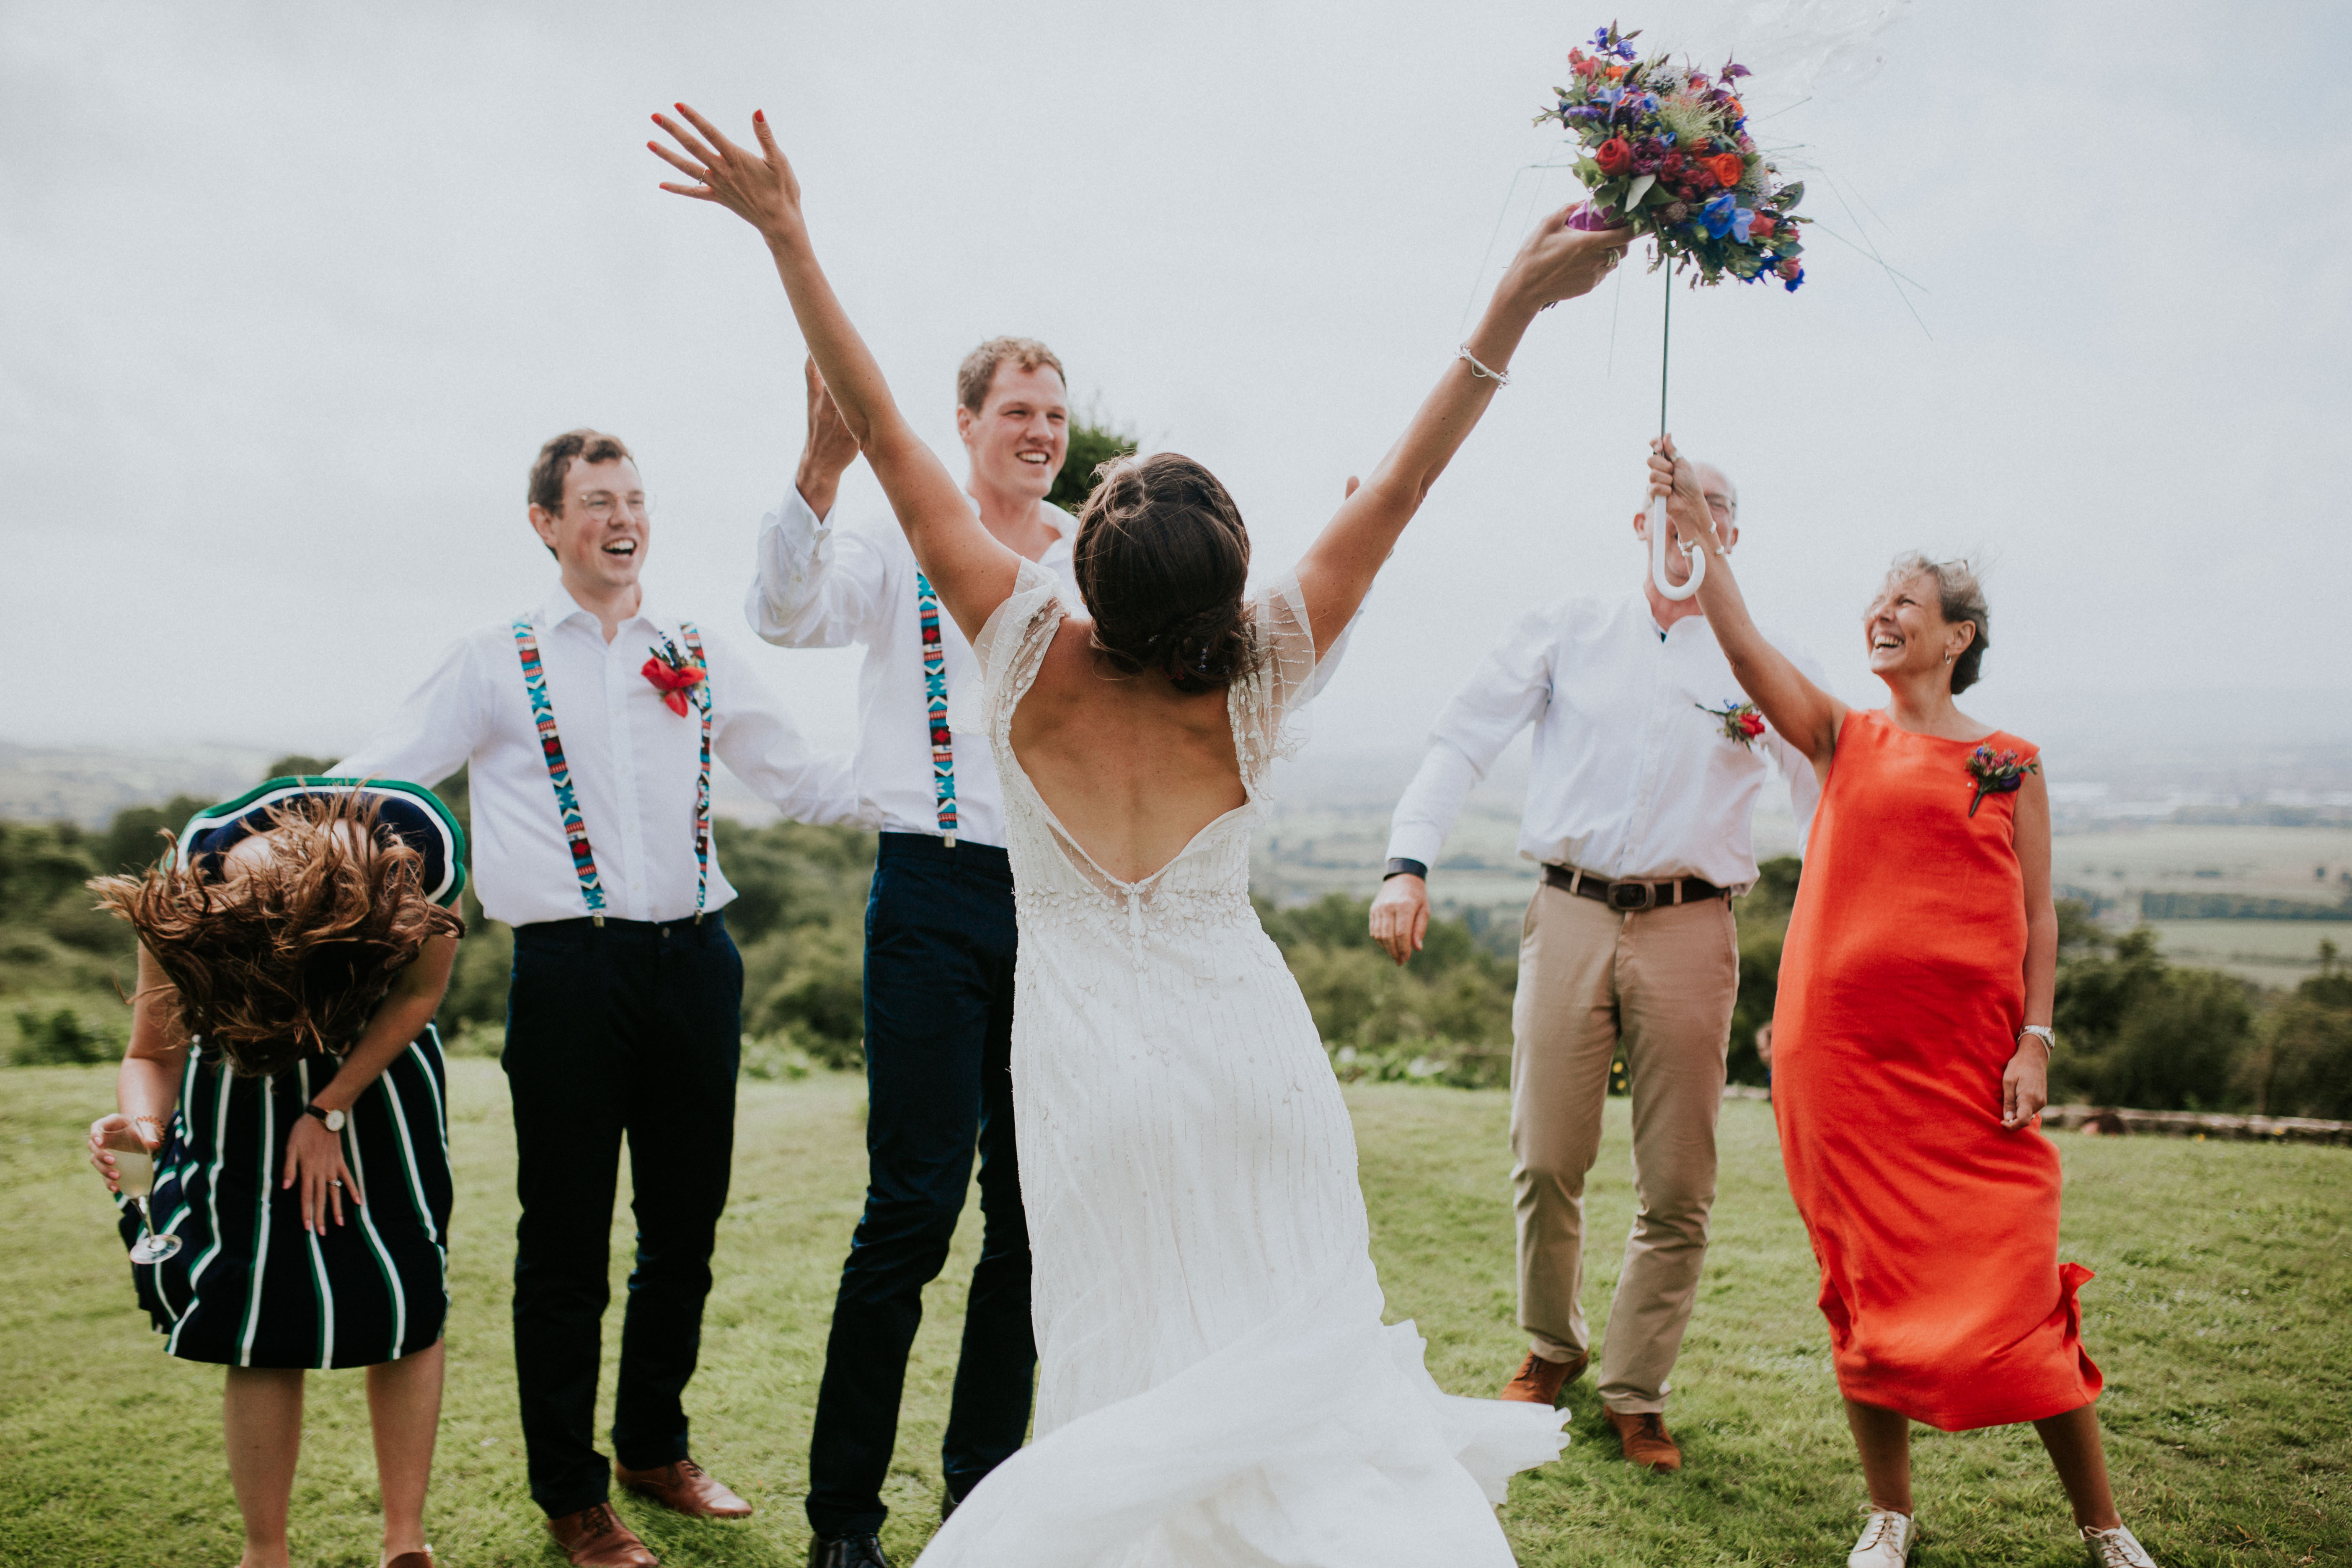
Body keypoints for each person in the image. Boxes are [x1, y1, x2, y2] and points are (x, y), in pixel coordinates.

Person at [649, 100, 1631, 1567]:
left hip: (1086, 1066)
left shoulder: (1025, 647)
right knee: (1288, 1361)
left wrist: (786, 233)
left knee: (1125, 1374)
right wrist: (1509, 305)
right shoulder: (1258, 664)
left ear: (1092, 571)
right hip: (1253, 1057)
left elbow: (893, 436)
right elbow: (1410, 486)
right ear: (1224, 587)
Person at [333, 429, 857, 1568]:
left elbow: (804, 777)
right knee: (563, 1245)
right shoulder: (495, 656)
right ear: (547, 524)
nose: (622, 518)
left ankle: (651, 1446)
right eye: (595, 501)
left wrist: (941, 778)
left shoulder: (696, 649)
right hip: (569, 976)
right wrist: (256, 842)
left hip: (696, 965)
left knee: (683, 1229)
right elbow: (378, 775)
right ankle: (570, 1492)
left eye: (633, 499)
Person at [1645, 437, 2159, 1568]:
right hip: (1839, 1070)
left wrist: (2034, 1042)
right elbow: (1738, 643)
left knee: (2019, 1287)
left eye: (1904, 603)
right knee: (1860, 1282)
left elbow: (2037, 918)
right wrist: (1686, 523)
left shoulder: (2010, 763)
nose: (1879, 615)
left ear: (1954, 637)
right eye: (1875, 600)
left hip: (1971, 1071)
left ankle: (2103, 1527)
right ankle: (1888, 1512)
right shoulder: (1841, 736)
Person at [1367, 456, 1822, 1472]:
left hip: (1691, 926)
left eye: (1711, 515)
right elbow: (1460, 741)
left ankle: (1636, 1389)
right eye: (1671, 510)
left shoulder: (1762, 659)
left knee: (1677, 1179)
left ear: (1732, 539)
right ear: (1638, 521)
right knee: (1544, 1155)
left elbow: (1822, 791)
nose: (1689, 529)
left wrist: (1837, 935)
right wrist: (1406, 863)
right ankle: (1548, 1347)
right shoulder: (1566, 627)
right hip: (1566, 909)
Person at [746, 342, 1076, 1557]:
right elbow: (783, 615)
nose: (1038, 431)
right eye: (1016, 412)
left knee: (1032, 1220)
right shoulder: (897, 538)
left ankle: (983, 1499)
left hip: (1057, 910)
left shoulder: (1087, 555)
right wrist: (818, 476)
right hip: (929, 895)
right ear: (966, 421)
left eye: (1053, 413)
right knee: (911, 1209)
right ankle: (843, 1521)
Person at [84, 780, 466, 1568]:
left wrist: (329, 1108)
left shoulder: (417, 857)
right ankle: (266, 1555)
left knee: (403, 1291)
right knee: (254, 1312)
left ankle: (406, 1544)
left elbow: (422, 992)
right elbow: (149, 1054)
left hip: (378, 1076)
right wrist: (147, 1127)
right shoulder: (188, 901)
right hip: (235, 1086)